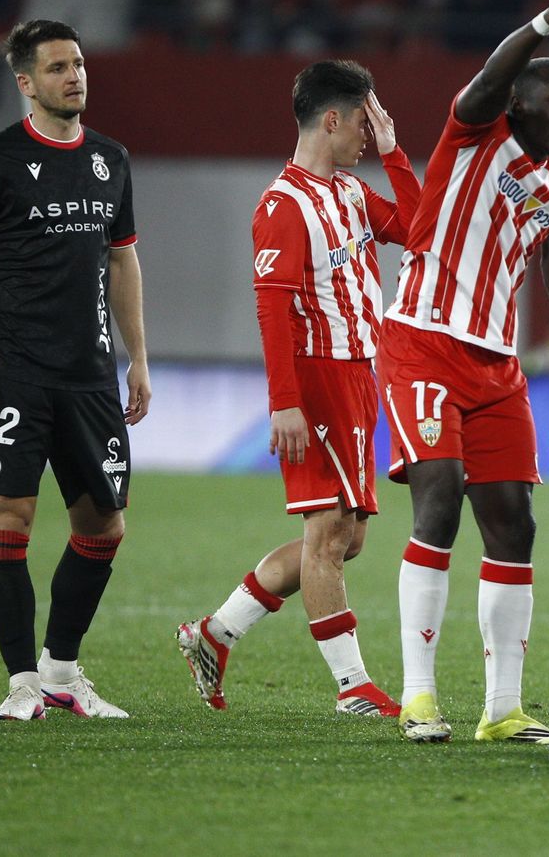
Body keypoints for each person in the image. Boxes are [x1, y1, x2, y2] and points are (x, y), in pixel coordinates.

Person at [382, 0, 549, 743]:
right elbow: (489, 76)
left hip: (495, 364)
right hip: (421, 339)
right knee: (440, 496)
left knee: (514, 522)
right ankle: (419, 698)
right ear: (518, 102)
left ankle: (501, 709)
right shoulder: (476, 131)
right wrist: (546, 19)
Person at [176, 64, 420, 716]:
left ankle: (215, 632)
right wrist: (283, 402)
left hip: (357, 375)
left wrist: (395, 153)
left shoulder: (348, 191)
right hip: (316, 380)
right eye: (367, 124)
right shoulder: (284, 207)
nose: (372, 135)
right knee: (329, 535)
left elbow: (421, 232)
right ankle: (352, 687)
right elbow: (272, 311)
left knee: (348, 536)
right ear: (332, 119)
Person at [0, 19, 151, 721]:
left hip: (91, 373)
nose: (76, 76)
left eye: (80, 64)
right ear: (26, 83)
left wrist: (138, 360)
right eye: (59, 67)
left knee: (105, 526)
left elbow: (121, 260)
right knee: (10, 514)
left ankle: (61, 668)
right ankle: (20, 684)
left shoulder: (110, 159)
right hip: (14, 369)